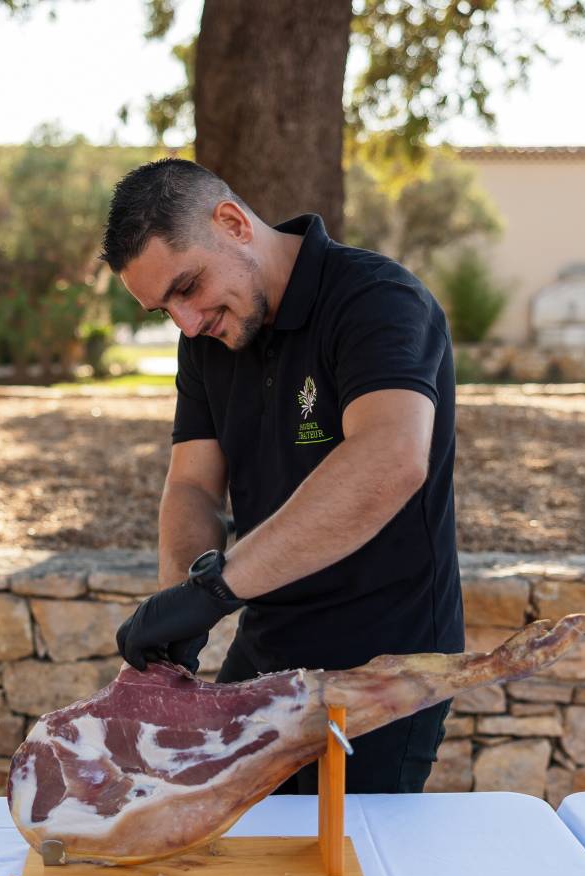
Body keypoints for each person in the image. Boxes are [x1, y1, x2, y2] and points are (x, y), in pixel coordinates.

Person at [103, 158, 463, 794]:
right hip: (266, 645)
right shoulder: (205, 339)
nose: (187, 322)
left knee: (348, 851)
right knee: (228, 832)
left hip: (383, 664)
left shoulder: (378, 300)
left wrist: (215, 591)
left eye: (187, 286)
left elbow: (391, 457)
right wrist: (181, 603)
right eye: (164, 309)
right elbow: (192, 485)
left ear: (233, 223)